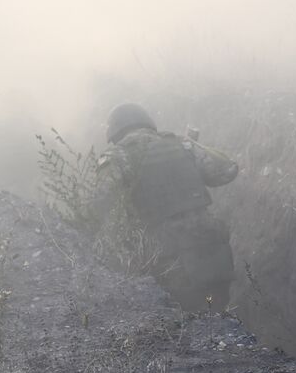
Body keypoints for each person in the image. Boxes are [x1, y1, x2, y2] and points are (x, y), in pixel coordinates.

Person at [94, 102, 238, 311]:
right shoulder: (181, 144)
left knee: (183, 317)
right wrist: (190, 144)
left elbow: (99, 205)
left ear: (114, 132)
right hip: (209, 239)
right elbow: (227, 169)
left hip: (166, 251)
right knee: (215, 308)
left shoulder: (116, 157)